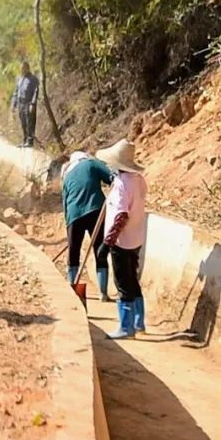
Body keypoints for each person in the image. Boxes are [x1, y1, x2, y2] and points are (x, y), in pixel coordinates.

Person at [95, 139, 148, 339]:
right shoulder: (139, 180)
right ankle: (139, 322)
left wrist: (107, 243)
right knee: (133, 280)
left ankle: (126, 328)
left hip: (122, 240)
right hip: (136, 237)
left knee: (122, 283)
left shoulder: (122, 185)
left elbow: (121, 216)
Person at [61, 150, 114, 301]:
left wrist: (68, 225)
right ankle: (103, 293)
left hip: (73, 215)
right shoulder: (91, 163)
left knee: (73, 252)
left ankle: (73, 288)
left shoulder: (67, 175)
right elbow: (112, 177)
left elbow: (64, 202)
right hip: (94, 210)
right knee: (100, 251)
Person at [10, 61, 39, 147]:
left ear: (28, 68)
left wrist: (33, 104)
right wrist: (13, 105)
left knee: (30, 122)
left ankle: (30, 141)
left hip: (28, 103)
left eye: (24, 68)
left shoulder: (33, 79)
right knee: (23, 122)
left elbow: (36, 92)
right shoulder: (19, 79)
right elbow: (16, 92)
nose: (22, 70)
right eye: (21, 68)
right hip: (20, 104)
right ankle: (25, 139)